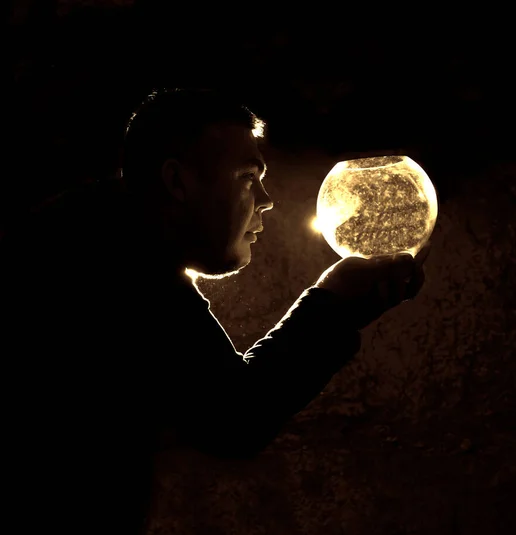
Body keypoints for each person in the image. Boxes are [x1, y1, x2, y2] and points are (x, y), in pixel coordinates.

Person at [1, 88, 431, 534]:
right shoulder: (110, 264)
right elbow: (233, 417)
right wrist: (333, 305)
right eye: (247, 177)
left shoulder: (97, 234)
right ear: (178, 182)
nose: (265, 199)